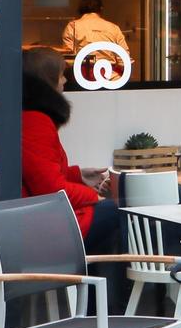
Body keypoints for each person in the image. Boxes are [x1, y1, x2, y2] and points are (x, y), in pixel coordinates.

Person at [21, 48, 121, 258]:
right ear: (48, 81)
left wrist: (78, 175)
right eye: (60, 75)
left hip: (42, 222)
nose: (65, 80)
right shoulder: (36, 122)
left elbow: (42, 174)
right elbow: (52, 190)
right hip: (49, 228)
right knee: (121, 213)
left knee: (116, 216)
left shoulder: (32, 118)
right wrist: (93, 196)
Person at [63, 0, 131, 80]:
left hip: (82, 77)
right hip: (111, 77)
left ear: (81, 8)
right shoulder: (113, 28)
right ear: (101, 8)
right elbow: (124, 59)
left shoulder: (73, 26)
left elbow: (69, 58)